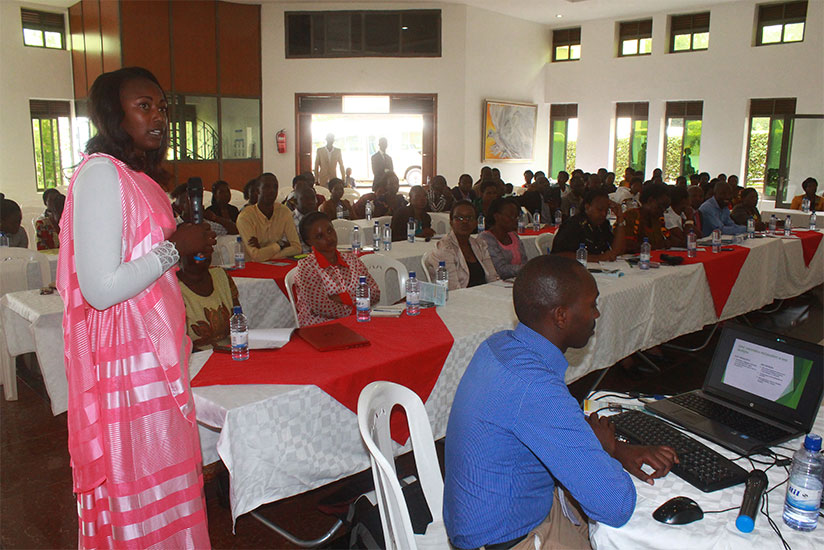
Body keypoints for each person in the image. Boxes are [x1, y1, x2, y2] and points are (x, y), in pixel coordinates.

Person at [55, 67, 213, 548]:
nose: (159, 116)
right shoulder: (102, 174)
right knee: (140, 486)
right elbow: (100, 288)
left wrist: (180, 254)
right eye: (144, 106)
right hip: (127, 359)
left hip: (152, 352)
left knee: (165, 481)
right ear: (113, 115)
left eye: (162, 107)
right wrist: (174, 249)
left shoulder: (136, 175)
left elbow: (140, 263)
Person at [444, 256, 677, 550]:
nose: (597, 313)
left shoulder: (500, 345)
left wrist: (616, 449)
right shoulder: (534, 386)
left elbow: (548, 423)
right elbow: (615, 505)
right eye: (592, 304)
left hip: (493, 514)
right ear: (561, 316)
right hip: (509, 539)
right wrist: (605, 452)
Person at [295, 212, 380, 327]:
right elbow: (321, 307)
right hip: (321, 327)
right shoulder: (307, 267)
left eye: (330, 231)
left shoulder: (352, 260)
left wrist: (342, 297)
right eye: (320, 236)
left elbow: (374, 292)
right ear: (309, 242)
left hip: (357, 322)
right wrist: (356, 306)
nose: (329, 238)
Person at [177, 249, 241, 351]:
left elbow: (239, 323)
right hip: (195, 357)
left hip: (230, 351)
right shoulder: (173, 288)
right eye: (194, 250)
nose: (201, 255)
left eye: (206, 248)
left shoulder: (220, 275)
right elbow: (177, 346)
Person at [426, 201, 498, 289]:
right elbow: (452, 287)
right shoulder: (444, 248)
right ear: (451, 222)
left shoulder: (480, 244)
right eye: (459, 218)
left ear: (476, 223)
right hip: (459, 295)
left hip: (484, 293)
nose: (464, 222)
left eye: (469, 218)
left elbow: (493, 278)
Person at [237, 172, 302, 260]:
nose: (272, 190)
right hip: (251, 266)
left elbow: (297, 248)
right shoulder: (245, 217)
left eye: (275, 187)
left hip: (278, 264)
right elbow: (256, 256)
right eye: (267, 187)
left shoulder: (284, 211)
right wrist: (280, 244)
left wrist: (267, 254)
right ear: (257, 190)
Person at [552, 188, 626, 261]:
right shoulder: (573, 225)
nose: (604, 214)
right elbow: (559, 255)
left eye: (606, 210)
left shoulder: (602, 225)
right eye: (600, 209)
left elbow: (617, 251)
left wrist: (620, 219)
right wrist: (598, 258)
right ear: (587, 207)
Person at [479, 197, 528, 278]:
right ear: (497, 217)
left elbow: (524, 260)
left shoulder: (513, 236)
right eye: (511, 216)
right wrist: (526, 268)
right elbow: (500, 270)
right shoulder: (486, 239)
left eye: (517, 217)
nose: (516, 220)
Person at [622, 182, 675, 251]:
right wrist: (655, 246)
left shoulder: (657, 219)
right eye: (661, 206)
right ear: (650, 200)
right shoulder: (631, 216)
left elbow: (666, 239)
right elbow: (627, 245)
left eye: (666, 208)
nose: (663, 210)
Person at [170, 183, 235, 236]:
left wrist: (215, 218)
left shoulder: (205, 224)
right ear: (182, 206)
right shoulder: (172, 225)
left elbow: (233, 230)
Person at [292, 185, 318, 253]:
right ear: (295, 201)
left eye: (313, 198)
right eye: (306, 198)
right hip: (297, 257)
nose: (311, 202)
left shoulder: (319, 219)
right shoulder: (289, 221)